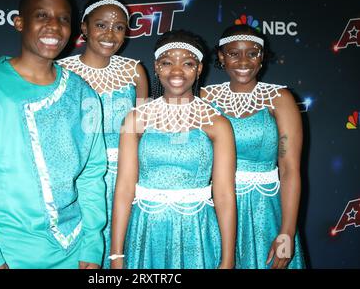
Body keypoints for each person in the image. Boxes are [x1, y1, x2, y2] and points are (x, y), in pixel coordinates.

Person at [0, 0, 107, 269]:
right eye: (42, 15)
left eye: (63, 19)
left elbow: (92, 173)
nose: (54, 26)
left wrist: (92, 244)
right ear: (19, 23)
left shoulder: (84, 94)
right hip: (3, 252)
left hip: (71, 252)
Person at [110, 30, 236, 269]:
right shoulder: (135, 119)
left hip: (197, 232)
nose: (177, 71)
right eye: (167, 63)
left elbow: (224, 195)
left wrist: (227, 260)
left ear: (199, 69)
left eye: (187, 63)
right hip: (146, 231)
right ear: (156, 67)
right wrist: (116, 255)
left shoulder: (218, 124)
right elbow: (124, 188)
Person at [200, 24, 305, 269]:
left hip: (265, 211)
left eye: (253, 53)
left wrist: (287, 232)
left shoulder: (280, 98)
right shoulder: (205, 97)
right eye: (234, 53)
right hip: (216, 208)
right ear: (222, 57)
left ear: (262, 57)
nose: (244, 61)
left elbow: (289, 170)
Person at [57, 0, 148, 268]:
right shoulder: (61, 71)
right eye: (101, 25)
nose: (111, 34)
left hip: (127, 176)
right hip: (79, 179)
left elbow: (142, 130)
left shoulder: (135, 71)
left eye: (119, 27)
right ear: (84, 28)